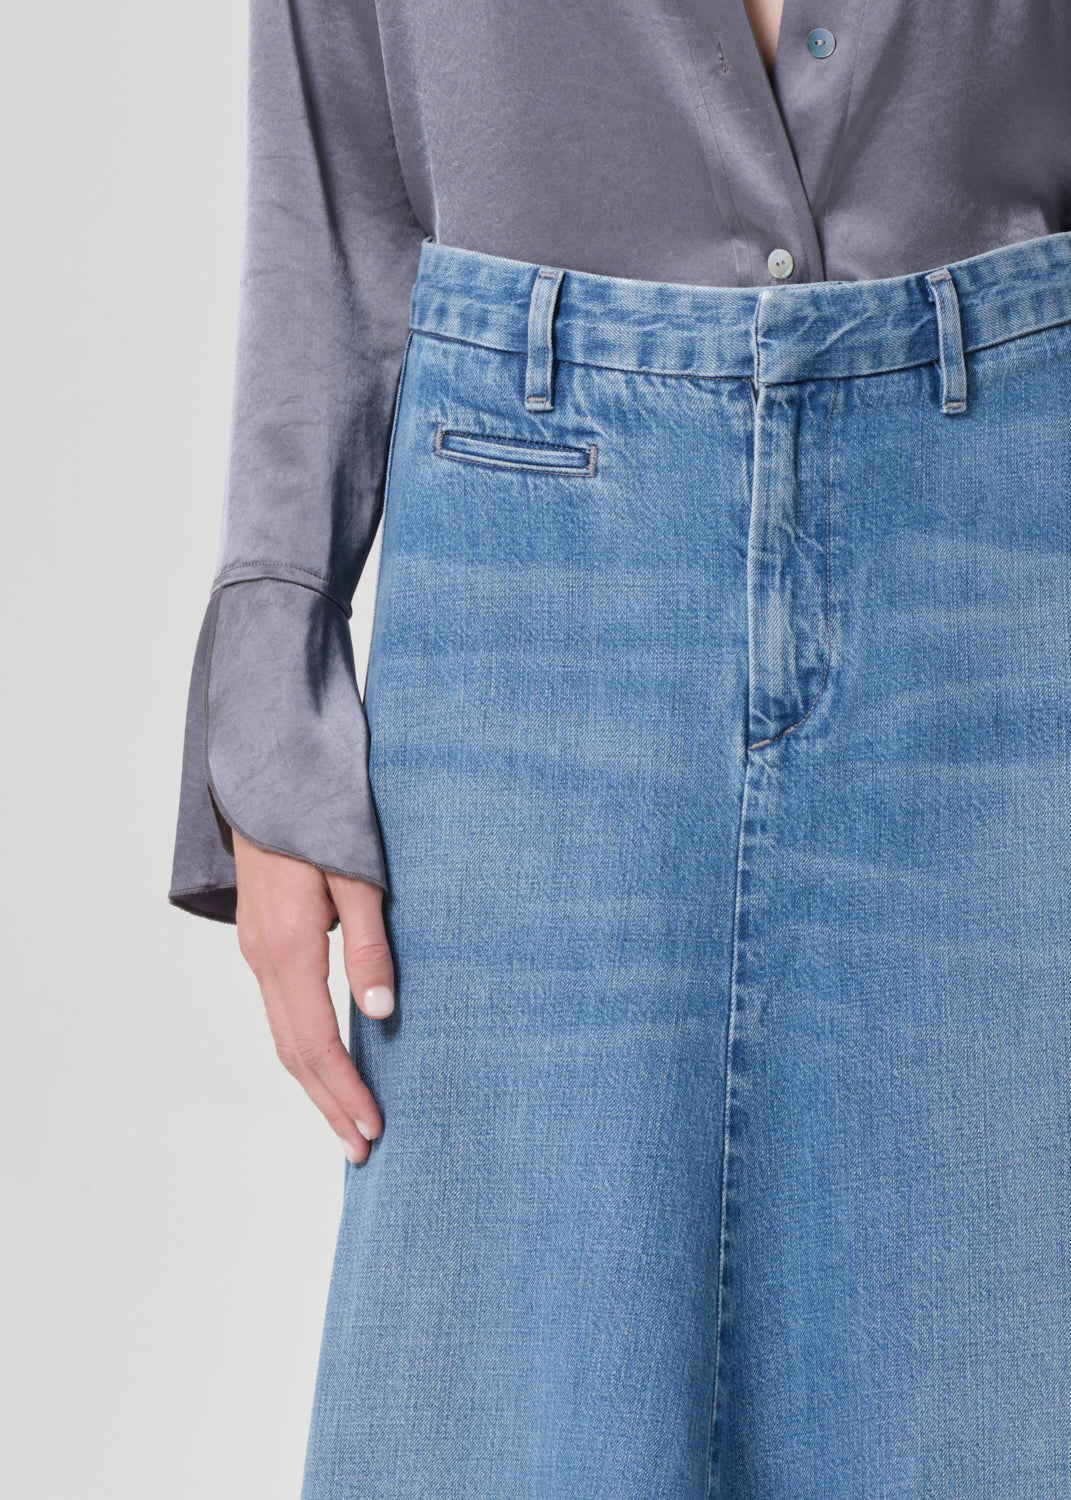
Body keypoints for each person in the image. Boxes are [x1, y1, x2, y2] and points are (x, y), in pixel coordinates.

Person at [168, 1, 1071, 1495]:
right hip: (527, 582)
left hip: (1002, 559)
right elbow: (329, 180)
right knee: (503, 1439)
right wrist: (274, 669)